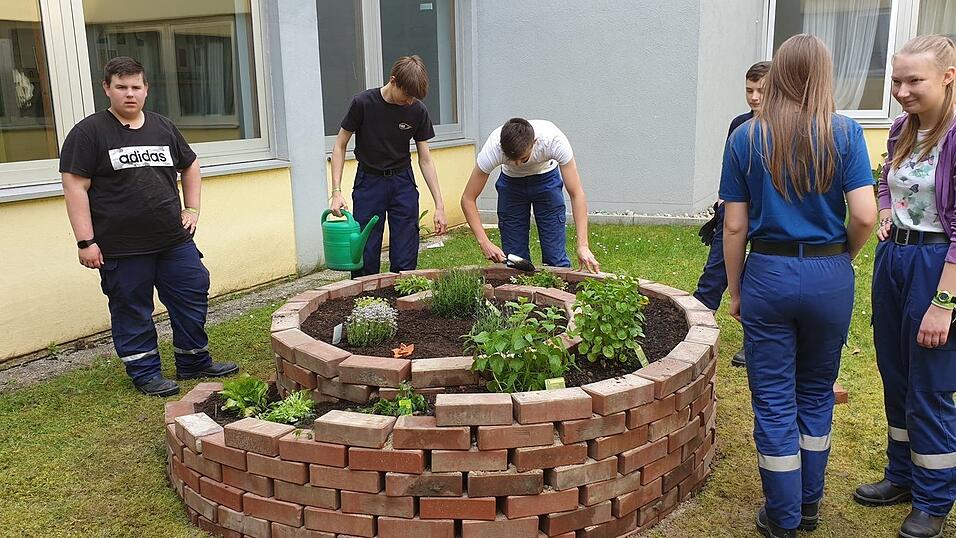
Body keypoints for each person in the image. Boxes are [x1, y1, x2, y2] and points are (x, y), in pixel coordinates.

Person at [721, 35, 876, 537]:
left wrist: (736, 288)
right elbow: (865, 216)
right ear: (824, 76)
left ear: (779, 76)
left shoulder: (746, 137)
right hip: (830, 276)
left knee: (772, 399)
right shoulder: (848, 134)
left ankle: (783, 518)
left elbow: (734, 227)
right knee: (815, 392)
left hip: (770, 272)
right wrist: (840, 258)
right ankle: (808, 506)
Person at [60, 57, 238, 397]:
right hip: (121, 246)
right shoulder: (88, 133)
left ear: (146, 89)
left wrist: (193, 209)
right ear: (107, 89)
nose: (130, 94)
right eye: (121, 87)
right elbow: (74, 187)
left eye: (136, 87)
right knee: (131, 307)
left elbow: (191, 165)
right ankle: (145, 372)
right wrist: (86, 242)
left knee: (192, 291)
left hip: (173, 239)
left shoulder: (162, 126)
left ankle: (193, 360)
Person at [853, 35, 956, 538]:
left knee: (929, 385)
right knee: (895, 374)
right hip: (894, 261)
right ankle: (902, 476)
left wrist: (944, 303)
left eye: (914, 80)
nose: (900, 91)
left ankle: (935, 499)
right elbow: (883, 181)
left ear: (947, 77)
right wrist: (890, 210)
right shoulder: (900, 130)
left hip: (939, 266)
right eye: (896, 80)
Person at [329, 55, 447, 277]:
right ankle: (366, 304)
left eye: (414, 97)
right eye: (407, 95)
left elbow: (425, 159)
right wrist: (336, 191)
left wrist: (439, 205)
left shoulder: (417, 110)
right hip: (369, 182)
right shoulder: (363, 103)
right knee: (366, 250)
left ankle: (404, 302)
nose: (410, 101)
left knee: (406, 250)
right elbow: (339, 145)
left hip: (402, 182)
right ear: (393, 80)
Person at [694, 60, 771, 368]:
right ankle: (696, 331)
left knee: (759, 276)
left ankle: (752, 341)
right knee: (717, 267)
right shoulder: (739, 124)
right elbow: (731, 170)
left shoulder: (784, 128)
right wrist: (723, 200)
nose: (753, 97)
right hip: (734, 210)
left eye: (761, 91)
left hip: (767, 214)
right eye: (749, 90)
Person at [460, 118, 600, 272]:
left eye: (523, 159)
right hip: (511, 185)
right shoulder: (493, 148)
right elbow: (468, 198)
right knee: (515, 258)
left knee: (555, 257)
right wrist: (484, 242)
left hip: (547, 180)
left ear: (535, 142)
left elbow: (576, 194)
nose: (519, 164)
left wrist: (583, 245)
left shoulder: (553, 140)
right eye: (511, 160)